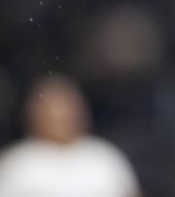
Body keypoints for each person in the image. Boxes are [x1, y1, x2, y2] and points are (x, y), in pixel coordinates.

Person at [0, 75, 140, 197]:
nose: (61, 116)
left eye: (67, 108)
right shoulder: (17, 163)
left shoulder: (105, 156)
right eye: (52, 109)